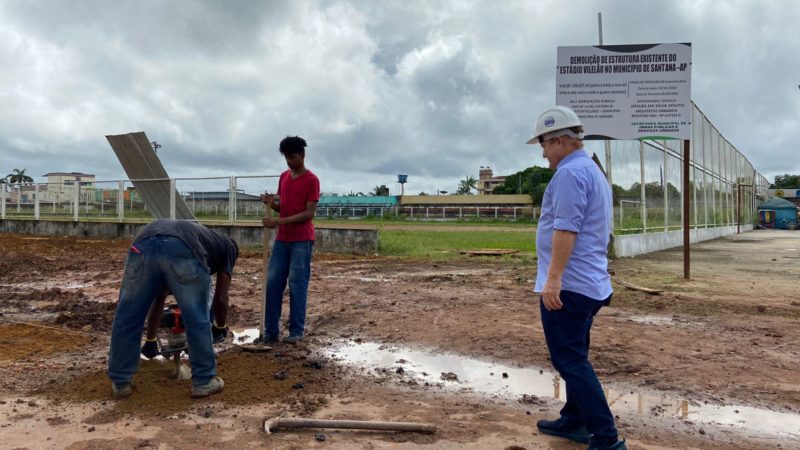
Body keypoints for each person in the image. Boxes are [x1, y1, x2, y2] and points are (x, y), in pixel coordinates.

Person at [526, 106, 626, 450]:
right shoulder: (590, 170)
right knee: (575, 354)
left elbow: (566, 228)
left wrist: (553, 280)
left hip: (571, 285)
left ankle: (606, 438)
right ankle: (575, 419)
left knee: (570, 360)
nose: (542, 153)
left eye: (543, 144)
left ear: (558, 140)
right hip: (589, 282)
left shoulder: (569, 175)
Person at [107, 219, 238, 399]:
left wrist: (151, 338)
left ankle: (121, 382)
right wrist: (220, 327)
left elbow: (158, 299)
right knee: (196, 317)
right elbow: (221, 298)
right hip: (181, 246)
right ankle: (204, 380)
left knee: (128, 315)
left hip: (143, 243)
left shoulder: (202, 235)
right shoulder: (229, 248)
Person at [259, 136, 320, 344]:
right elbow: (283, 206)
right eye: (286, 158)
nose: (289, 162)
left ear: (302, 155)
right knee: (273, 283)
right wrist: (272, 204)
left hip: (302, 240)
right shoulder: (284, 176)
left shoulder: (312, 180)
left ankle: (296, 332)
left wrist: (277, 222)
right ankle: (271, 333)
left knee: (297, 284)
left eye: (292, 157)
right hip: (283, 240)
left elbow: (308, 213)